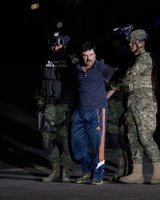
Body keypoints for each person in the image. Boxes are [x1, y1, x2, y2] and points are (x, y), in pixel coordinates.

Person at [108, 29, 160, 184]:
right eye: (130, 42)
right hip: (133, 102)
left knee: (145, 137)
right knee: (133, 138)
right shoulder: (135, 58)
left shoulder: (145, 58)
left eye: (133, 42)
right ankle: (137, 173)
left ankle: (158, 172)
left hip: (145, 104)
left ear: (141, 43)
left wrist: (114, 85)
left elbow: (130, 75)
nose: (130, 45)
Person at [70, 42, 116, 185]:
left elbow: (117, 82)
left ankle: (97, 175)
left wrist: (105, 97)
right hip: (79, 112)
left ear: (95, 55)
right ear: (81, 56)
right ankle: (86, 171)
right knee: (76, 144)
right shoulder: (77, 68)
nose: (88, 58)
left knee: (98, 145)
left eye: (91, 55)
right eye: (85, 55)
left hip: (97, 111)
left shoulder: (101, 67)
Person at [35, 32, 77, 183]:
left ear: (63, 44)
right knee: (46, 140)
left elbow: (79, 82)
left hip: (65, 106)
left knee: (66, 141)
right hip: (49, 106)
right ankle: (55, 169)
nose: (54, 47)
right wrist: (39, 102)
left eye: (57, 44)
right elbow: (39, 83)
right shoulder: (45, 59)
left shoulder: (71, 60)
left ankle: (65, 171)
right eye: (53, 44)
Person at [104, 25, 135, 180]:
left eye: (116, 39)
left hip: (123, 100)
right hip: (112, 101)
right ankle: (121, 166)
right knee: (113, 136)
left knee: (124, 137)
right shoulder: (111, 55)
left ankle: (131, 168)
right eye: (113, 40)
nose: (113, 42)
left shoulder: (129, 56)